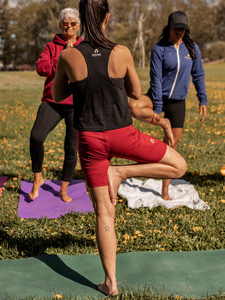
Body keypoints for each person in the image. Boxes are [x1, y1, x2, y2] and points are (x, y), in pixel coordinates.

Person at [53, 0, 187, 296]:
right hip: (123, 134)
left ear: (82, 20)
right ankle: (122, 173)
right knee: (179, 166)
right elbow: (137, 92)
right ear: (107, 17)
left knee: (104, 213)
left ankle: (110, 283)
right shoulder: (122, 52)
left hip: (90, 140)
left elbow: (58, 93)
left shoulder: (69, 55)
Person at [129, 11, 207, 200]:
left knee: (171, 146)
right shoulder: (159, 48)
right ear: (169, 28)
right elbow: (155, 79)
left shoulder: (192, 48)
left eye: (182, 29)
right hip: (158, 96)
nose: (179, 32)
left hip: (178, 102)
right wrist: (157, 108)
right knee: (134, 106)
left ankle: (165, 190)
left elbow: (198, 75)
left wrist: (202, 99)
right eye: (176, 28)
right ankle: (163, 123)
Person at [29, 8, 82, 202]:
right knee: (36, 137)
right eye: (65, 24)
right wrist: (62, 58)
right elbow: (41, 68)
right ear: (60, 26)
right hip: (52, 101)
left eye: (73, 23)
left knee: (71, 146)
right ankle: (38, 179)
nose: (69, 27)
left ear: (79, 26)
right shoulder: (51, 46)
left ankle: (64, 189)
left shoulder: (84, 46)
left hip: (76, 104)